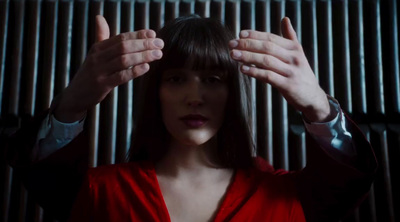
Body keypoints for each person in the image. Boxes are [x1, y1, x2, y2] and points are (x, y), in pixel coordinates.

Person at [6, 15, 377, 222]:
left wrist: (317, 106)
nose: (195, 96)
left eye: (213, 80)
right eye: (176, 78)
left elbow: (348, 178)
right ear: (156, 92)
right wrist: (72, 103)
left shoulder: (290, 196)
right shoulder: (100, 193)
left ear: (233, 94)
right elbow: (41, 174)